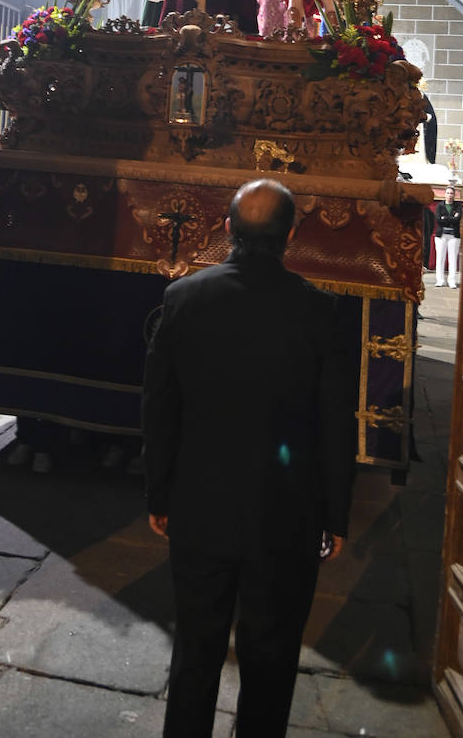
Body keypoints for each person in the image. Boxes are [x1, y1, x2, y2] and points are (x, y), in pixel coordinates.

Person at [143, 179, 354, 737]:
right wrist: (336, 518)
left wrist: (160, 494)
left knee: (195, 649)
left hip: (200, 506)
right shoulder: (323, 313)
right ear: (291, 236)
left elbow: (160, 410)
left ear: (229, 229)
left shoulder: (183, 299)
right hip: (285, 515)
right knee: (272, 655)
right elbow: (336, 424)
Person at [434, 185, 463, 288]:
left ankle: (452, 281)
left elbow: (457, 220)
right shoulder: (439, 206)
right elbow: (438, 220)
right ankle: (440, 280)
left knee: (453, 258)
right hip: (441, 235)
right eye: (448, 193)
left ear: (454, 195)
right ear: (445, 194)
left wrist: (445, 218)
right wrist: (451, 218)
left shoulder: (458, 206)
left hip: (454, 236)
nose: (450, 195)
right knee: (440, 257)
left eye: (451, 193)